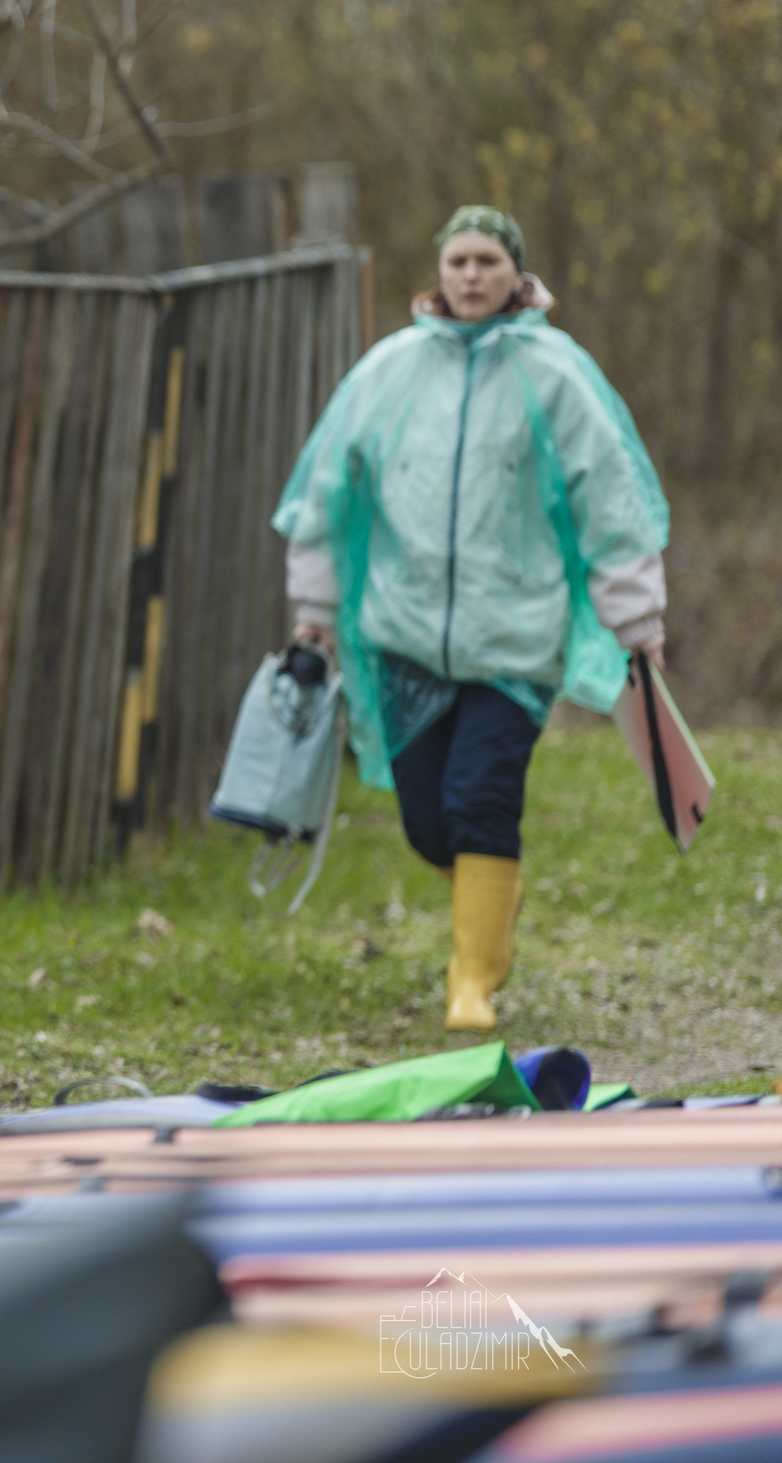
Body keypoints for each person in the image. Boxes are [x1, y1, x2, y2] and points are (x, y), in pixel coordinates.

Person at [275, 205, 669, 1031]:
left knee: (480, 802)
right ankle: (493, 896)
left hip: (515, 640)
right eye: (458, 259)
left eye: (488, 259)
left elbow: (611, 497)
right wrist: (314, 614)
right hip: (405, 636)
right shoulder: (390, 369)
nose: (471, 274)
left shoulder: (553, 373)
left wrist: (638, 620)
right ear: (440, 272)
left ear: (516, 273)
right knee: (428, 823)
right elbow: (326, 491)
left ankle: (473, 982)